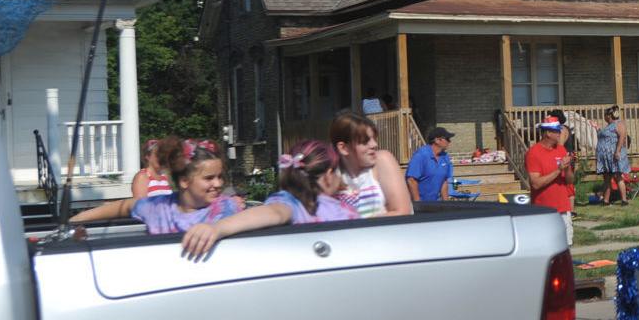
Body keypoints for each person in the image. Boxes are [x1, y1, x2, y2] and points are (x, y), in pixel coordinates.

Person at [179, 140, 359, 259]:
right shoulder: (295, 203)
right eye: (339, 172)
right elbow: (274, 212)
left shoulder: (307, 203)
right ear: (328, 174)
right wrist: (217, 228)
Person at [71, 138, 245, 235]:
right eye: (209, 178)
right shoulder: (159, 207)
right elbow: (125, 206)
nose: (218, 184)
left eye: (220, 177)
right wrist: (75, 221)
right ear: (184, 181)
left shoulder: (227, 209)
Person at [331, 110, 413, 217]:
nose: (374, 144)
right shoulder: (332, 174)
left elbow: (403, 212)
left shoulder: (382, 161)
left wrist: (356, 223)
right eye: (365, 141)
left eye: (374, 138)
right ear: (343, 148)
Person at [526, 115, 576, 245]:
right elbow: (535, 184)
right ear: (548, 133)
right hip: (543, 211)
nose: (560, 133)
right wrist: (559, 170)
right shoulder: (534, 153)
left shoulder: (561, 149)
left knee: (566, 247)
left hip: (563, 208)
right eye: (557, 130)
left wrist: (567, 168)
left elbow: (570, 181)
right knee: (546, 247)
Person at [594, 107, 632, 205]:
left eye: (605, 115)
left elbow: (622, 138)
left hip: (614, 155)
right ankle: (606, 200)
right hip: (606, 157)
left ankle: (624, 200)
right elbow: (603, 137)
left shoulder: (619, 124)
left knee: (618, 176)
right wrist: (597, 128)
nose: (604, 117)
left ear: (609, 116)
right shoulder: (608, 126)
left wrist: (617, 151)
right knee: (607, 178)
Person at [406, 127, 455, 202]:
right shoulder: (421, 155)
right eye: (447, 139)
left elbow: (444, 181)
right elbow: (411, 180)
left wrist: (446, 204)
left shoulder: (445, 157)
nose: (450, 141)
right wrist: (418, 204)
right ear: (437, 140)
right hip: (413, 204)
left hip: (432, 204)